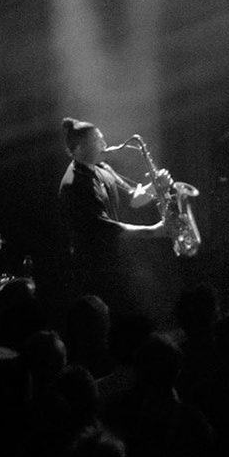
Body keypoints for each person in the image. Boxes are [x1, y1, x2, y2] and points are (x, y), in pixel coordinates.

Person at [56, 118, 173, 313]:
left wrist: (155, 185)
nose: (104, 145)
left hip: (113, 265)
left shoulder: (102, 168)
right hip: (92, 273)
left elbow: (133, 198)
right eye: (97, 141)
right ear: (78, 148)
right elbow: (107, 229)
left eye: (102, 139)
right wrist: (153, 231)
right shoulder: (74, 185)